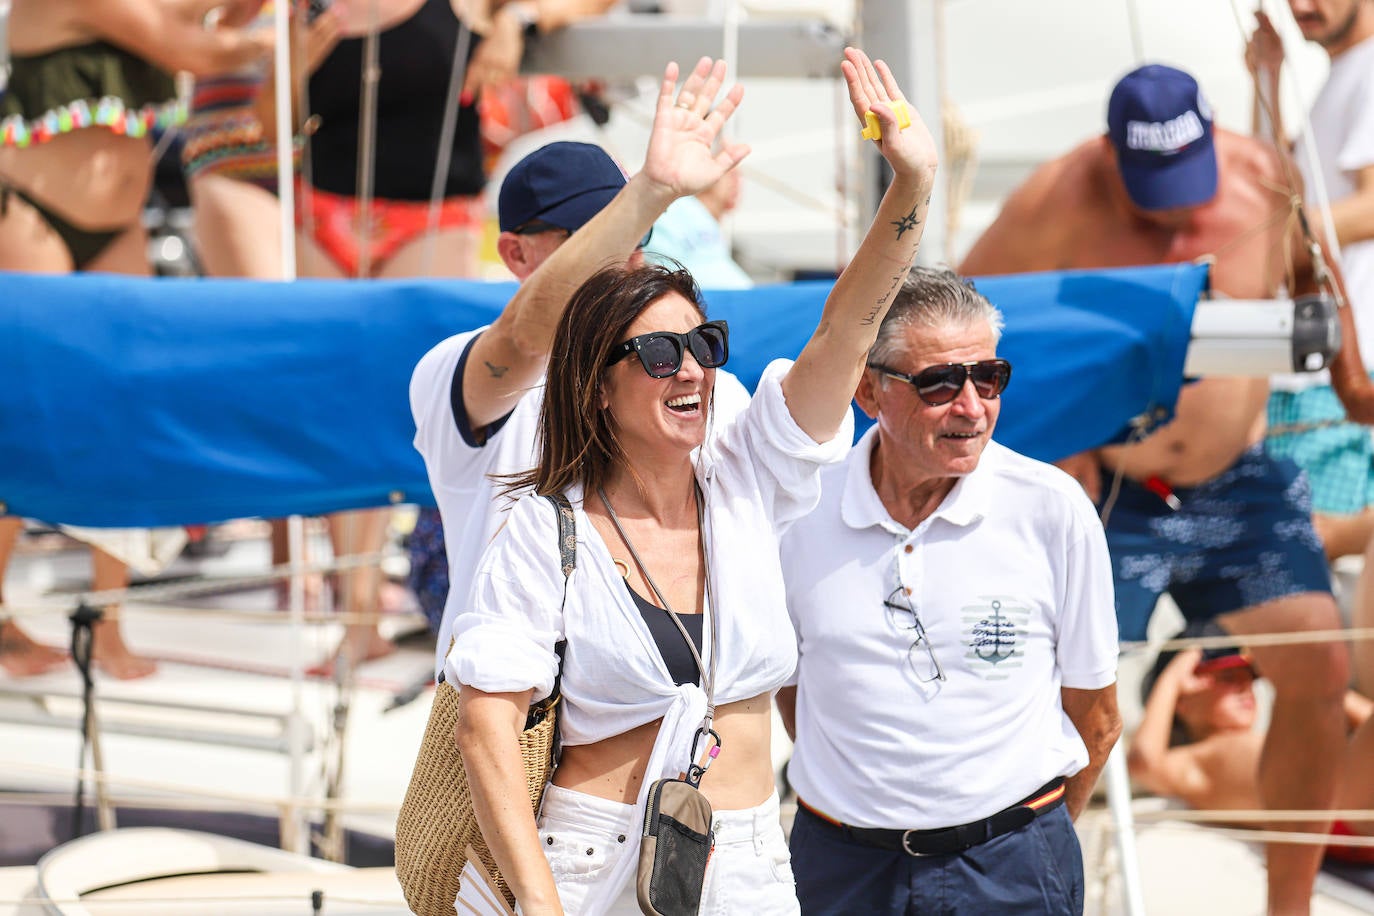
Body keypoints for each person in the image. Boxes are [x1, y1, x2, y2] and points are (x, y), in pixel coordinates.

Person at [444, 48, 936, 914]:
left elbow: (843, 338)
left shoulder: (743, 472)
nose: (691, 371)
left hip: (744, 855)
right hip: (590, 858)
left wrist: (912, 186)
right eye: (660, 353)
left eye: (704, 346)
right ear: (598, 385)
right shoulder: (543, 517)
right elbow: (485, 727)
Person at [958, 63, 1374, 915]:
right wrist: (1043, 443)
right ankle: (1027, 885)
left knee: (1320, 660)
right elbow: (961, 322)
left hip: (1237, 478)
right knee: (1062, 694)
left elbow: (1316, 280)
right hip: (1114, 484)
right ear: (1111, 159)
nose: (1179, 214)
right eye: (1155, 192)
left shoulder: (1261, 173)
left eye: (1191, 182)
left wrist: (1356, 381)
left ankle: (1287, 906)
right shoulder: (1057, 199)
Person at [774, 268, 1120, 915]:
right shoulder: (797, 512)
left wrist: (1032, 841)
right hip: (840, 868)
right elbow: (794, 691)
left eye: (988, 378)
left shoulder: (1051, 509)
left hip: (1013, 866)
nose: (972, 406)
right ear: (868, 391)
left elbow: (1096, 717)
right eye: (939, 383)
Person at [0, 0, 271, 679]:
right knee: (22, 421)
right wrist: (269, 43)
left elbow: (212, 17)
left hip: (119, 227)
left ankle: (106, 620)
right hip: (31, 216)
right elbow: (196, 51)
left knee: (120, 416)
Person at [1249, 0, 1374, 697]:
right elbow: (1275, 187)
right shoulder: (1340, 75)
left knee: (1304, 554)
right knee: (1304, 568)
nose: (1301, 5)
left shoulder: (1371, 70)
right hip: (1317, 369)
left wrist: (1265, 247)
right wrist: (1266, 80)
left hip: (1344, 368)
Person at [1129, 623, 1374, 866]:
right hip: (1342, 814)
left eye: (1251, 677)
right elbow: (1143, 762)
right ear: (1183, 701)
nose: (1245, 686)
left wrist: (1302, 680)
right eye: (1227, 677)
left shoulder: (1268, 739)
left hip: (1351, 804)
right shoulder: (1195, 760)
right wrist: (1171, 678)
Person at [643, 167, 753, 288]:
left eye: (738, 176)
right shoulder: (675, 209)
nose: (737, 183)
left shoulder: (706, 220)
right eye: (731, 174)